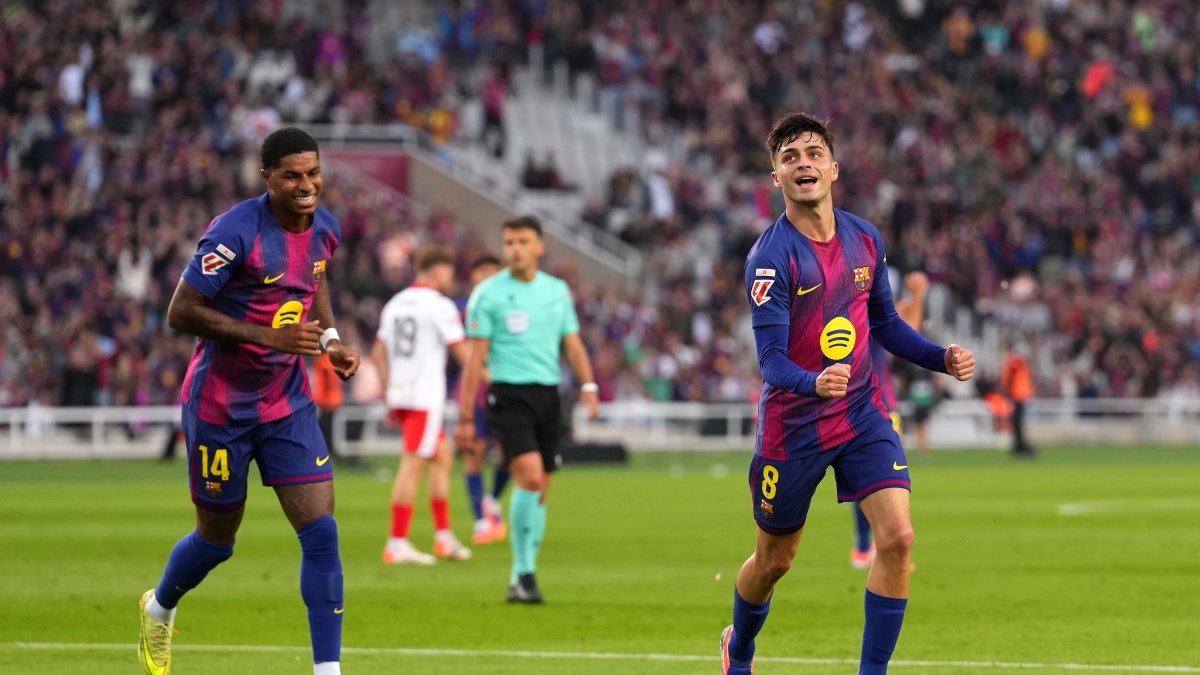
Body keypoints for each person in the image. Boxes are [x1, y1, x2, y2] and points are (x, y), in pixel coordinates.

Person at [720, 113, 975, 675]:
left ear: (833, 169)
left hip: (861, 411)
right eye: (789, 157)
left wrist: (941, 358)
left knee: (899, 538)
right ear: (776, 178)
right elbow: (770, 363)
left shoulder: (865, 238)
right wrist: (812, 381)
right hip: (794, 428)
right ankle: (738, 649)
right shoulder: (770, 259)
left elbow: (884, 324)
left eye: (813, 153)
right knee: (774, 560)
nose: (802, 162)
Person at [138, 127, 361, 675]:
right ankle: (159, 607)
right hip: (220, 407)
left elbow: (316, 281)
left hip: (287, 403)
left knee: (322, 532)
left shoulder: (325, 229)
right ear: (267, 177)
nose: (306, 184)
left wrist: (329, 342)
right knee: (217, 543)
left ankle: (327, 671)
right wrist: (270, 337)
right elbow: (181, 312)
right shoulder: (234, 232)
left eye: (313, 173)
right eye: (292, 175)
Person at [454, 215, 601, 604]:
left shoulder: (556, 291)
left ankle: (525, 572)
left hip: (549, 396)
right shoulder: (488, 294)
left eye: (522, 241)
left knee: (540, 488)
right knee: (531, 478)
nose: (514, 249)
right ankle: (523, 574)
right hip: (507, 396)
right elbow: (474, 361)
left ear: (539, 246)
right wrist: (466, 416)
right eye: (508, 242)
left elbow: (571, 343)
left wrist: (587, 385)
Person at [372, 244, 473, 565]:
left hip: (402, 391)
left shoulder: (395, 303)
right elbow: (464, 354)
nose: (451, 278)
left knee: (442, 456)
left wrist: (389, 392)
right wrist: (490, 374)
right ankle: (397, 542)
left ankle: (444, 536)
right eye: (450, 271)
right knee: (413, 464)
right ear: (439, 269)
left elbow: (378, 353)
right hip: (424, 396)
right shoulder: (440, 305)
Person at [852, 270, 930, 570]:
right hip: (879, 403)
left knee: (867, 479)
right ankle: (885, 545)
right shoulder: (870, 313)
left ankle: (866, 546)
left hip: (867, 403)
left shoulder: (857, 308)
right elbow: (911, 331)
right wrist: (919, 297)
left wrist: (914, 299)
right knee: (889, 476)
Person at [458, 253, 510, 545]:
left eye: (493, 271)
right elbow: (463, 349)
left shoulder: (509, 306)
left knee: (510, 455)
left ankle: (492, 500)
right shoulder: (467, 309)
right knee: (475, 456)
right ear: (473, 276)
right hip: (476, 392)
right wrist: (483, 371)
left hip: (504, 390)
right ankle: (480, 520)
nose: (488, 276)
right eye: (482, 271)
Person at [999, 339, 1036, 457]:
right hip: (1021, 393)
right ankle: (1019, 446)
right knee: (1017, 422)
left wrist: (1004, 389)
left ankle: (1020, 447)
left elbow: (1007, 377)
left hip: (1018, 394)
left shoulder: (1013, 360)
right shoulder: (1017, 359)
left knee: (1017, 422)